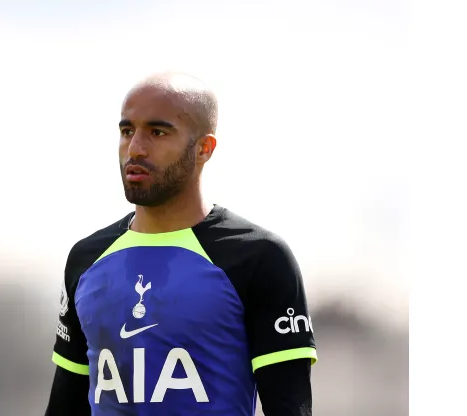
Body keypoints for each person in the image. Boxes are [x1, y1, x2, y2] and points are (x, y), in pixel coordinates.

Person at [44, 72, 318, 416]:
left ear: (204, 148)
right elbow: (64, 407)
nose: (136, 148)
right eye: (127, 131)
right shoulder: (86, 259)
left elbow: (290, 406)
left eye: (158, 132)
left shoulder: (258, 257)